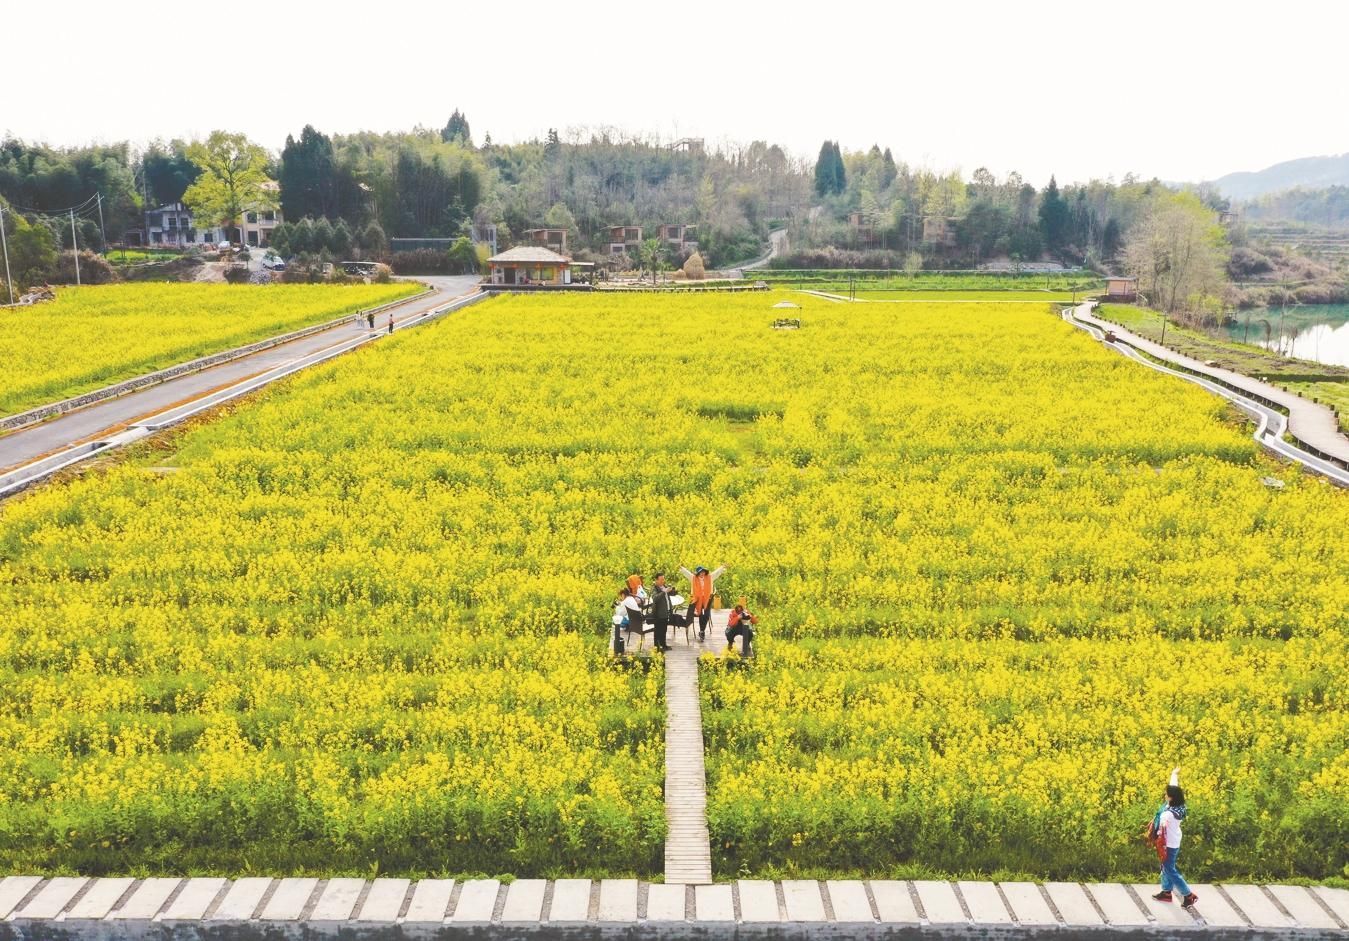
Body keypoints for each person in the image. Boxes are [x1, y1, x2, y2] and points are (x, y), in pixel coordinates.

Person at [1151, 771, 1197, 909]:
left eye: (1166, 794)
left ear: (1171, 798)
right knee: (1165, 867)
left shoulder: (1168, 814)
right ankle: (1166, 892)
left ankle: (1189, 895)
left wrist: (1155, 833)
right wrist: (1174, 774)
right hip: (1175, 839)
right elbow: (1174, 786)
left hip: (1168, 843)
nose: (1165, 796)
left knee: (1169, 869)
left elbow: (1161, 829)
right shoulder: (1179, 805)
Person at [678, 564, 726, 643]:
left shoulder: (709, 577)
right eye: (700, 572)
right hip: (698, 600)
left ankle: (701, 631)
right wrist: (681, 568)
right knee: (700, 614)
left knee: (706, 615)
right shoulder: (693, 578)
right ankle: (702, 632)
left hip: (708, 599)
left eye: (703, 572)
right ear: (697, 573)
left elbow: (717, 572)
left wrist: (722, 567)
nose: (702, 573)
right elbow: (687, 573)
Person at [649, 572, 676, 652]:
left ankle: (663, 645)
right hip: (658, 613)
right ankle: (656, 647)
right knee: (657, 630)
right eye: (661, 580)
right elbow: (655, 598)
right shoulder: (654, 588)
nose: (662, 581)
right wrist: (664, 592)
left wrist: (673, 590)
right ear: (656, 580)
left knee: (664, 630)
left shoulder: (664, 586)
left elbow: (672, 594)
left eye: (663, 579)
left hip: (666, 612)